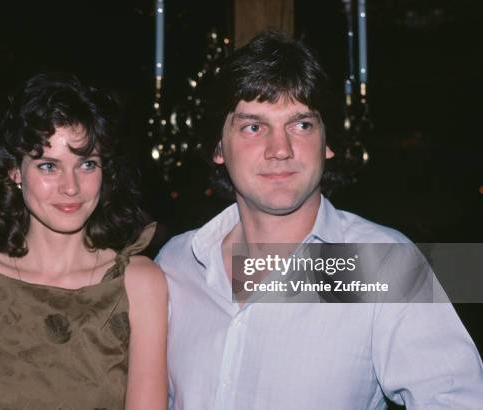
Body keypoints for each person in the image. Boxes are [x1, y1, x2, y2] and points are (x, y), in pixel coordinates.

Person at [155, 31, 483, 409]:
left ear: (327, 142)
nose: (280, 149)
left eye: (301, 125)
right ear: (218, 147)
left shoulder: (379, 263)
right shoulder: (177, 264)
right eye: (253, 127)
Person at [0, 73, 168, 409]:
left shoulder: (139, 283)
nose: (71, 186)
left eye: (87, 164)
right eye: (49, 166)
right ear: (15, 172)